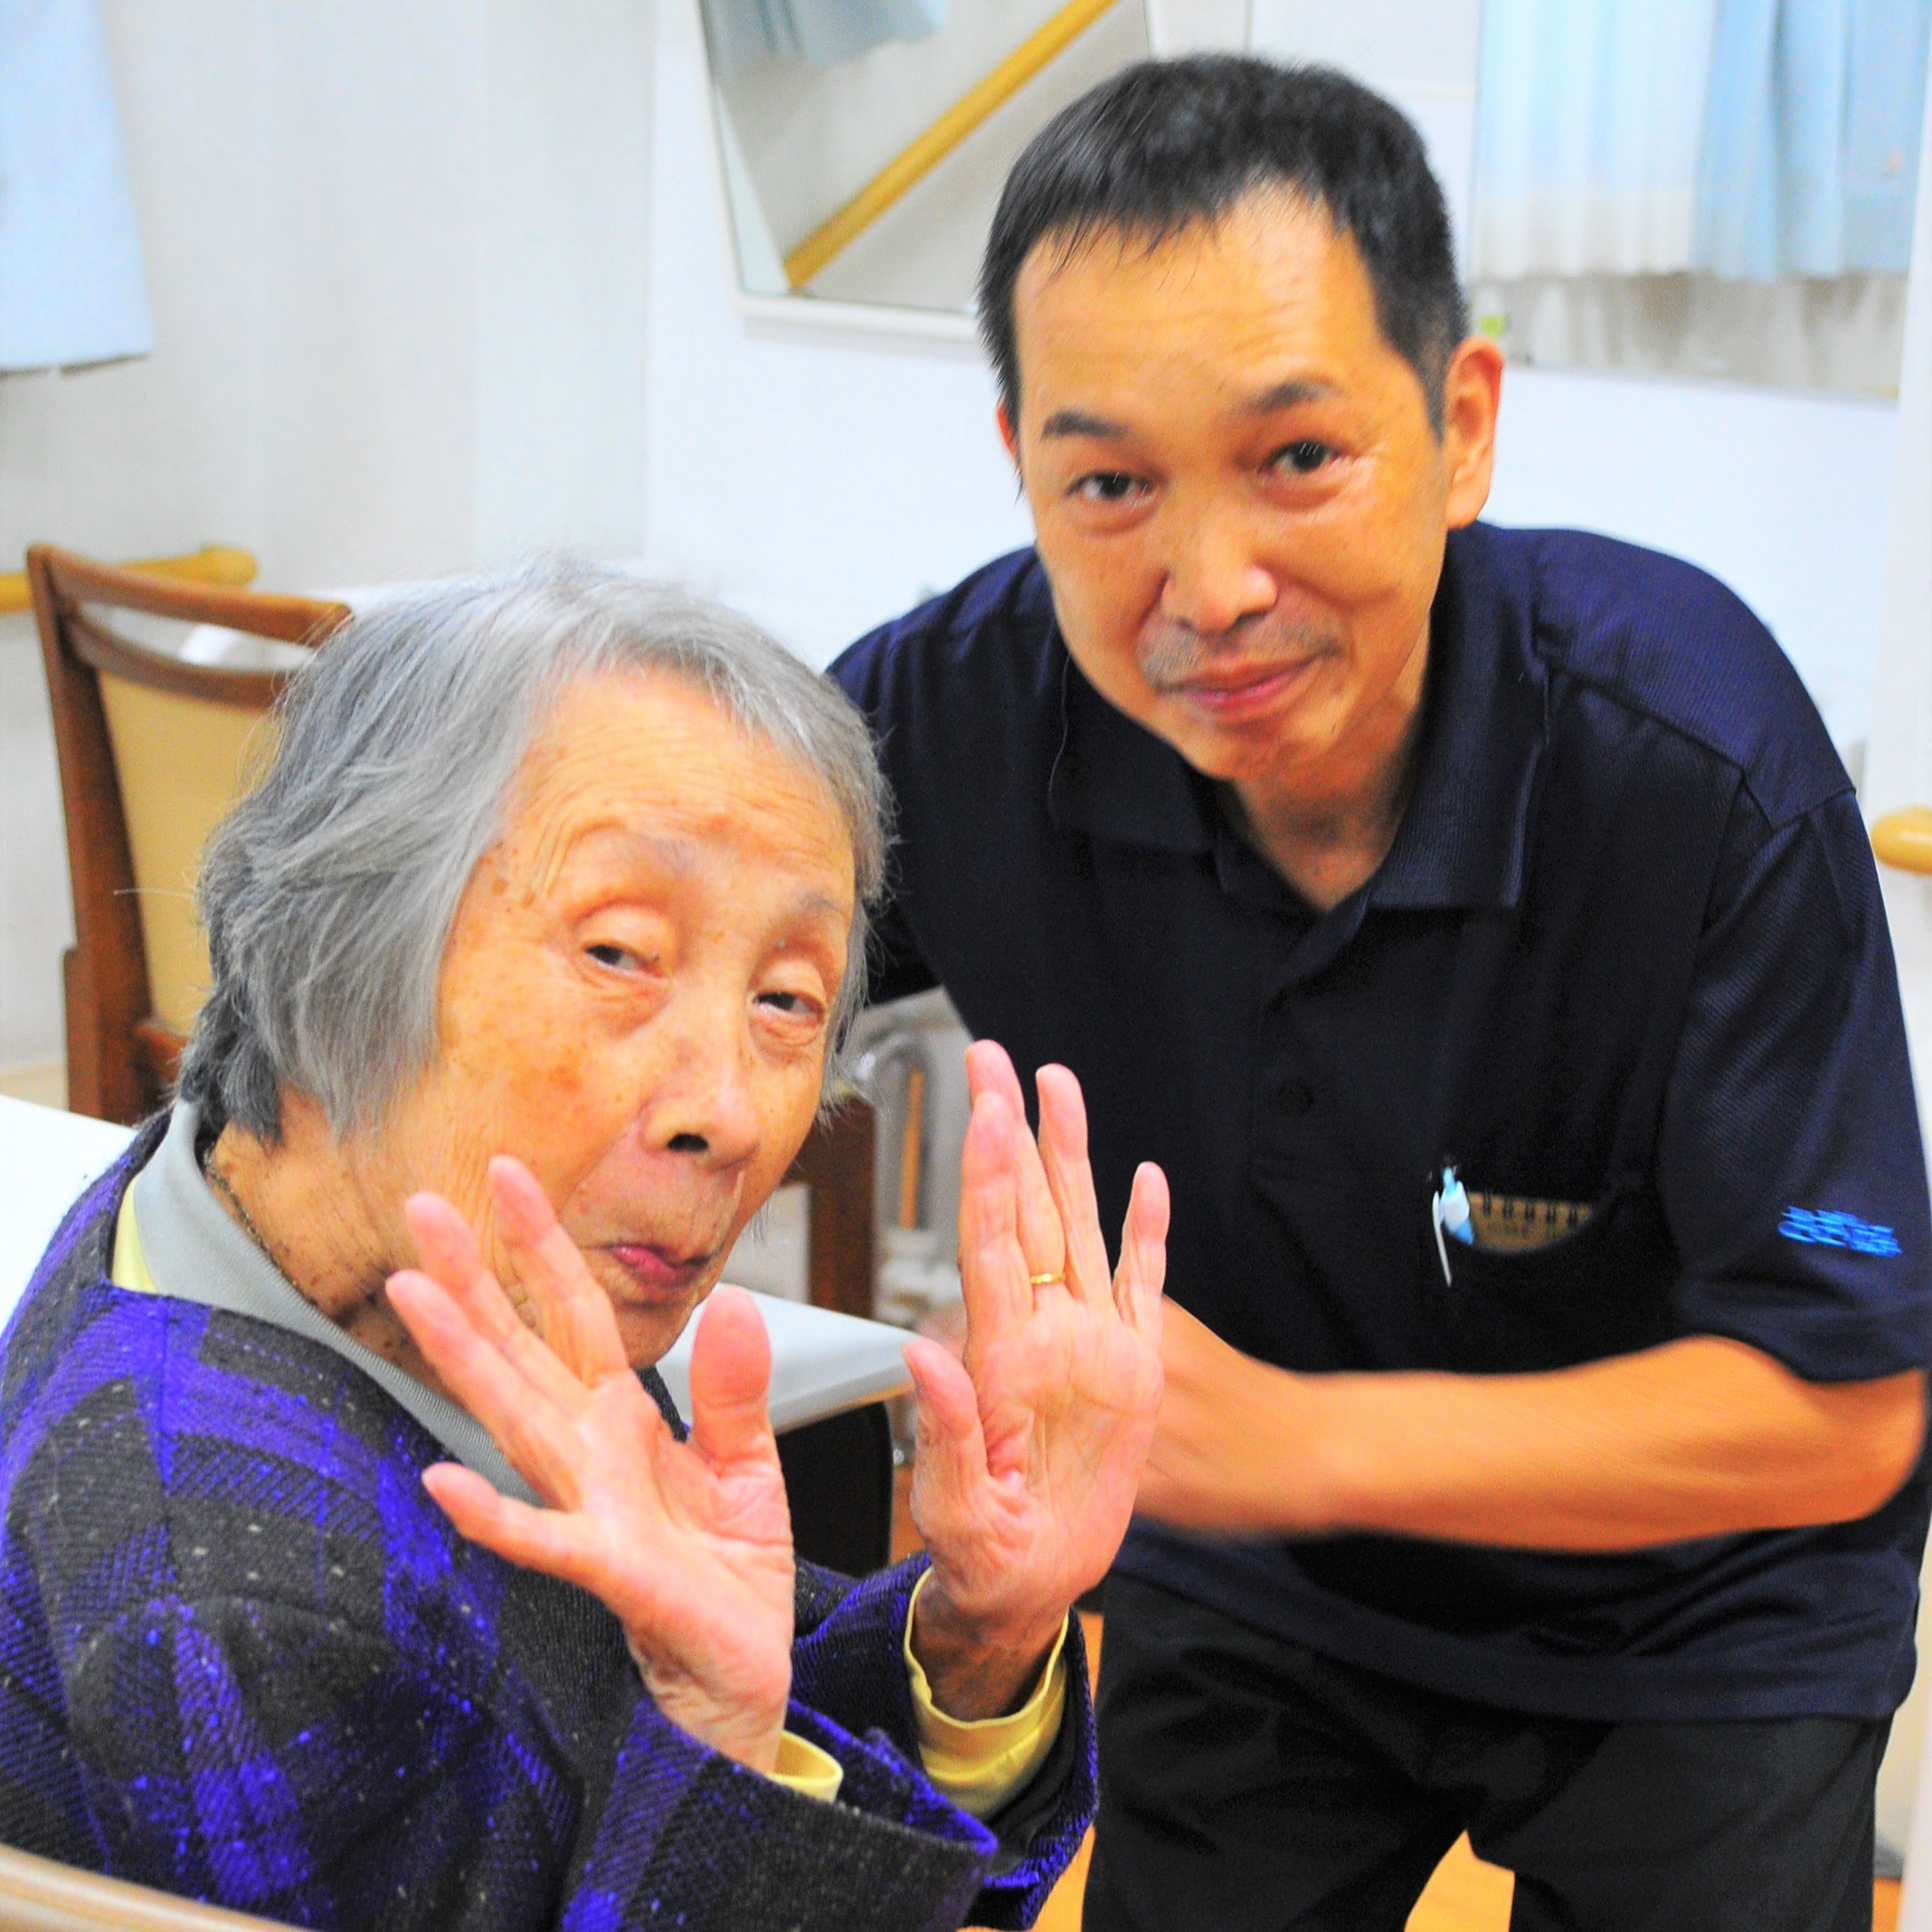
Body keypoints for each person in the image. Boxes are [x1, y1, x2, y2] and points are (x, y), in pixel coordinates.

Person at [830, 55, 1932, 1932]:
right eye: (1110, 483)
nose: (1209, 587)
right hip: (1261, 1589)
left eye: (1297, 459)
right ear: (1019, 462)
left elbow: (1845, 1410)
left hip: (1692, 1610)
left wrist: (1287, 1440)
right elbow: (697, 957)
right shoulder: (954, 717)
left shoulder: (1691, 759)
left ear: (1462, 425)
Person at [0, 562, 1169, 1932]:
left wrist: (982, 1634)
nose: (731, 1113)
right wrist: (724, 1747)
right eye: (618, 954)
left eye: (787, 999)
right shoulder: (240, 1614)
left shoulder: (269, 1212)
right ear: (336, 944)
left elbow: (668, 1686)